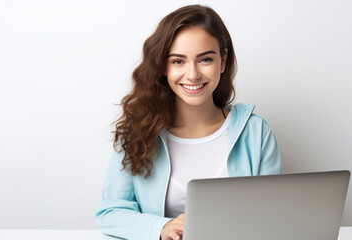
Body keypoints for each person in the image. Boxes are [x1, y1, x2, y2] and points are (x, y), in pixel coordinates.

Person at [95, 4, 281, 240]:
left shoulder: (256, 132)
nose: (192, 75)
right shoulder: (138, 132)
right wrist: (161, 228)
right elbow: (110, 212)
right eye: (178, 61)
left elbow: (273, 216)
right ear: (163, 66)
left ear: (222, 62)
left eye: (205, 59)